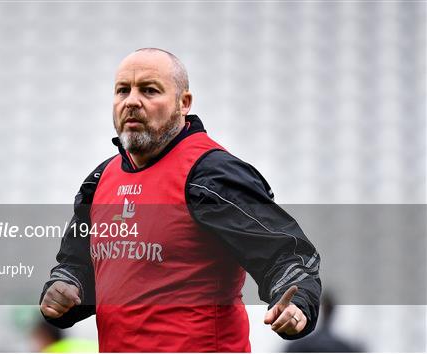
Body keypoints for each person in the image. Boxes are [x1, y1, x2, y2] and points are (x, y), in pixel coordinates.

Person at [39, 48, 321, 352]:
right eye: (123, 90)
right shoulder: (100, 181)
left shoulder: (211, 174)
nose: (132, 101)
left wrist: (298, 303)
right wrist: (65, 288)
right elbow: (77, 265)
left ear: (183, 103)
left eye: (149, 90)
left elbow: (284, 254)